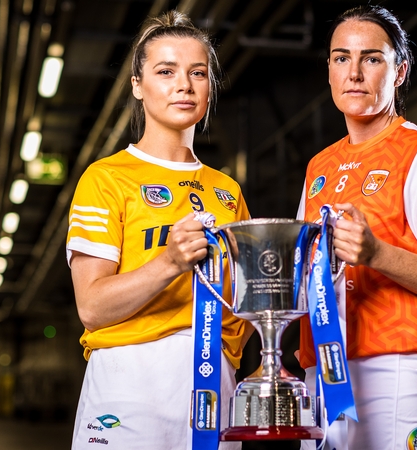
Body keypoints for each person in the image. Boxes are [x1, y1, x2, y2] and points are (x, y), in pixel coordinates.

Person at [66, 11, 249, 449]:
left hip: (214, 386)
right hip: (129, 386)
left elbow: (244, 304)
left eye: (198, 73)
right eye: (165, 71)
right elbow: (91, 307)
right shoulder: (106, 178)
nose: (184, 85)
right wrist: (168, 262)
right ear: (137, 85)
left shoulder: (228, 192)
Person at [297, 5, 417, 450]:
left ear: (398, 71)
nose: (354, 72)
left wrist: (376, 254)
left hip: (398, 366)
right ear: (329, 71)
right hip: (322, 367)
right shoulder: (319, 166)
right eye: (342, 58)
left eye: (371, 58)